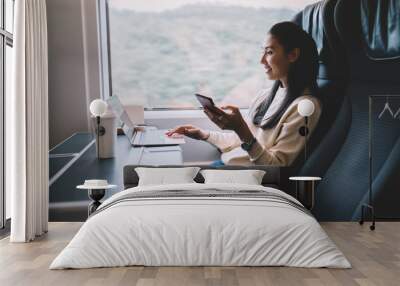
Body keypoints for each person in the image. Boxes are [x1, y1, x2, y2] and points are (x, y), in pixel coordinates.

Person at [166, 21, 322, 166]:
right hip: (228, 166)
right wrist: (202, 134)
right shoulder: (265, 96)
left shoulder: (305, 107)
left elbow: (276, 166)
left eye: (269, 52)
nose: (262, 60)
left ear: (293, 55)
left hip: (248, 177)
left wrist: (241, 129)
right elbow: (239, 141)